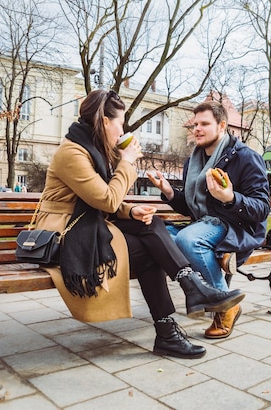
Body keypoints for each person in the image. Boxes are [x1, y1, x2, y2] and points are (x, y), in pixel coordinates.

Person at [34, 89, 244, 360]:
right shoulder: (72, 154)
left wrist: (132, 211)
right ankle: (181, 310)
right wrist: (127, 162)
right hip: (63, 233)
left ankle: (190, 296)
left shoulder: (91, 149)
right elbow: (107, 200)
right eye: (120, 123)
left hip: (86, 224)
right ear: (104, 122)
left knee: (151, 225)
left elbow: (100, 199)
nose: (122, 130)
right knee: (150, 252)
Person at [147, 101, 269, 339]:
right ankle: (196, 297)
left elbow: (262, 208)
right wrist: (169, 191)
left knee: (188, 239)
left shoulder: (245, 157)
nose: (197, 129)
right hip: (204, 223)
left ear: (221, 126)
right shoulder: (193, 161)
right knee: (157, 236)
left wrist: (230, 197)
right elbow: (193, 209)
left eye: (204, 124)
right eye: (195, 125)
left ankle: (226, 305)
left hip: (236, 226)